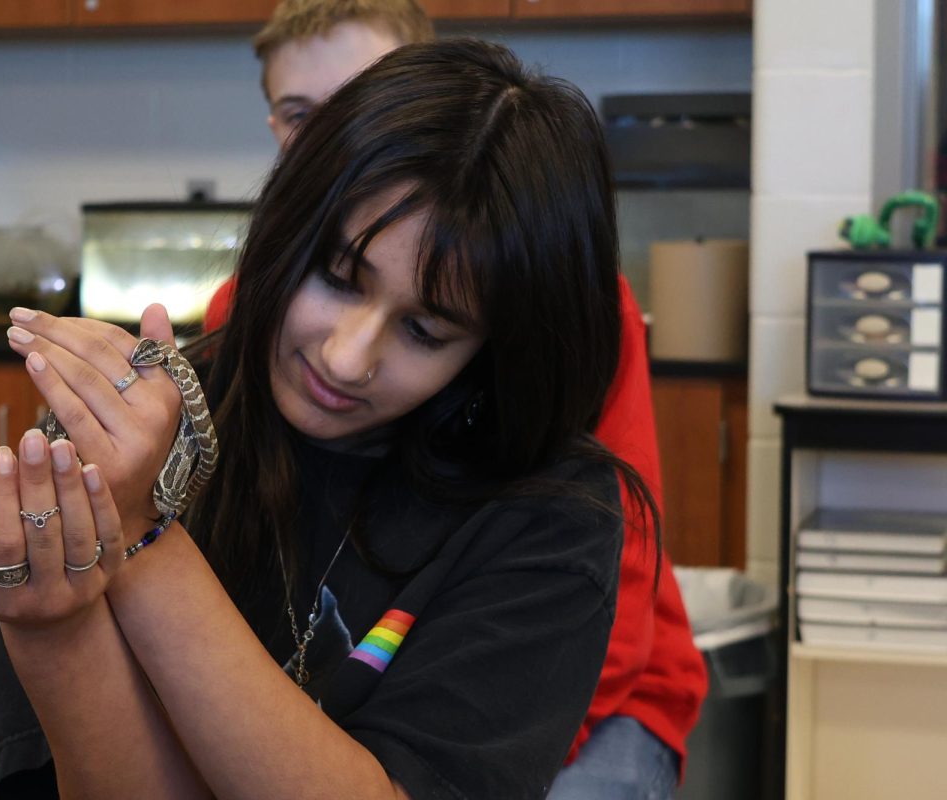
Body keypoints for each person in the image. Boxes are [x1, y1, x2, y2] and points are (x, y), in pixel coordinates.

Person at [0, 39, 659, 798]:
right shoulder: (140, 430)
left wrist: (144, 529)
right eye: (338, 278)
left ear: (491, 349)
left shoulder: (548, 517)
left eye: (425, 331)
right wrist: (55, 629)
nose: (346, 359)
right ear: (288, 225)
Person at [205, 2, 710, 798]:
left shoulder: (564, 347)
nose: (345, 356)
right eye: (303, 115)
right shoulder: (245, 319)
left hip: (580, 683)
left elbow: (607, 588)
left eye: (427, 330)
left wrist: (480, 738)